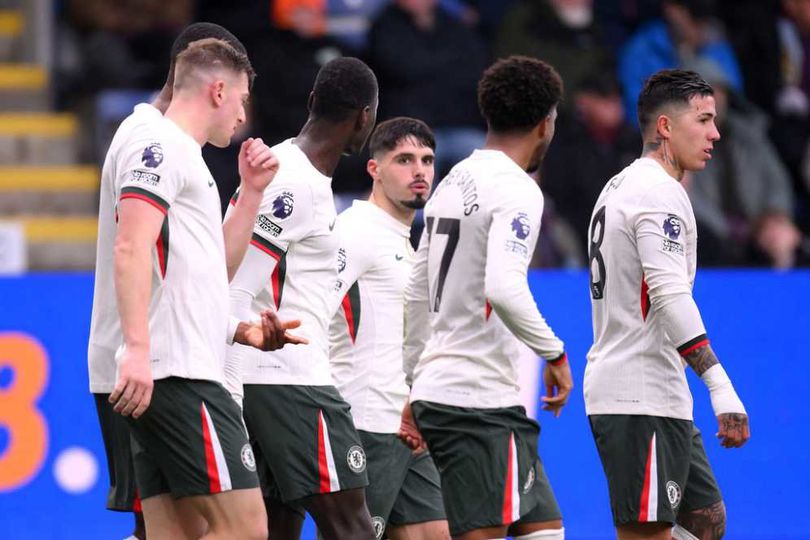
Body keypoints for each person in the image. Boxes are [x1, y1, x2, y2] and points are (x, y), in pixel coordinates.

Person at [87, 22, 290, 540]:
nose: (243, 115)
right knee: (247, 528)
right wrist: (137, 349)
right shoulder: (155, 142)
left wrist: (250, 194)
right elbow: (131, 246)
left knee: (177, 533)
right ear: (218, 90)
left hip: (166, 365)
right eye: (242, 99)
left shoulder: (179, 151)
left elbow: (205, 271)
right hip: (175, 372)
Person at [400, 55, 572, 540]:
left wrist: (416, 382)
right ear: (545, 124)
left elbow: (416, 294)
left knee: (544, 531)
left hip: (463, 394)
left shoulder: (451, 183)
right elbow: (504, 287)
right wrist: (555, 353)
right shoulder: (519, 190)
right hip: (475, 403)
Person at [584, 69, 750, 540]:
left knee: (705, 520)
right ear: (665, 127)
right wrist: (720, 387)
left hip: (652, 390)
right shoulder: (659, 193)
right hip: (639, 393)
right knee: (647, 533)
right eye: (704, 120)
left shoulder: (621, 185)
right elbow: (668, 293)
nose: (715, 133)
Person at [226, 56, 379, 540]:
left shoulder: (287, 168)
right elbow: (233, 281)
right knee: (352, 525)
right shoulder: (294, 183)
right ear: (365, 117)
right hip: (287, 379)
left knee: (278, 527)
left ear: (312, 101)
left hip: (264, 377)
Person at [327, 117, 449, 540]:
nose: (419, 171)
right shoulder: (355, 231)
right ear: (374, 169)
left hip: (408, 424)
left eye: (427, 160)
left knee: (437, 532)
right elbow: (312, 309)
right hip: (366, 420)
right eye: (404, 160)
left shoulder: (404, 240)